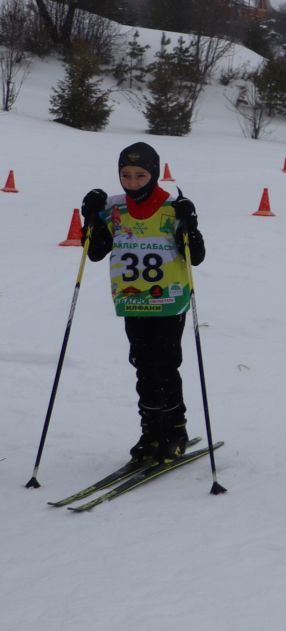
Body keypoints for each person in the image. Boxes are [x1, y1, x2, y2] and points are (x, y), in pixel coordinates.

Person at [79, 141, 206, 462]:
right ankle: (150, 432)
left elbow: (198, 256)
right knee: (143, 367)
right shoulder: (115, 209)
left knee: (165, 365)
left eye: (140, 175)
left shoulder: (171, 206)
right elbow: (94, 253)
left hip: (169, 301)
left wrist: (190, 223)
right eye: (126, 175)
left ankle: (176, 429)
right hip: (131, 302)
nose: (132, 182)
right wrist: (90, 218)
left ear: (153, 173)